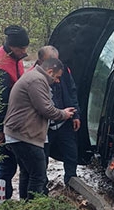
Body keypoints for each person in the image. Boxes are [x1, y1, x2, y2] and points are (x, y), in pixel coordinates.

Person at [3, 57, 76, 200]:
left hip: (16, 134)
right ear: (49, 71)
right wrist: (64, 114)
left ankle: (25, 207)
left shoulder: (32, 76)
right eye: (56, 77)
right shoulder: (37, 80)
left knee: (27, 173)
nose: (57, 81)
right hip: (24, 136)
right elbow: (46, 109)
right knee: (38, 176)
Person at [0, 25, 30, 205]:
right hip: (4, 122)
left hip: (11, 120)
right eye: (22, 48)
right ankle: (1, 200)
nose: (24, 52)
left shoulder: (13, 57)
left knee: (4, 159)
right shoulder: (0, 68)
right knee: (7, 162)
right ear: (13, 47)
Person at [32, 46, 81, 187]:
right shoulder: (33, 76)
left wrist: (76, 114)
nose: (55, 66)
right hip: (45, 125)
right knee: (42, 159)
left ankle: (71, 184)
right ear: (41, 61)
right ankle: (42, 189)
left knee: (71, 153)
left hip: (65, 121)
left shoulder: (63, 71)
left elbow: (72, 92)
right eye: (50, 62)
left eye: (56, 61)